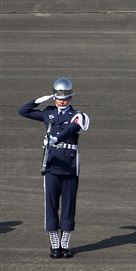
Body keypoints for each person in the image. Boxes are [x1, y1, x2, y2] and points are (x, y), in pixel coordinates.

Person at [18, 77, 90, 259]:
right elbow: (23, 111)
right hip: (51, 166)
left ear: (70, 98)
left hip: (69, 166)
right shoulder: (48, 113)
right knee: (50, 205)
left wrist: (55, 139)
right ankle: (54, 244)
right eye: (58, 97)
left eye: (65, 98)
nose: (61, 101)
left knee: (68, 206)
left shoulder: (77, 115)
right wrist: (39, 100)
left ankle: (65, 243)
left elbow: (71, 129)